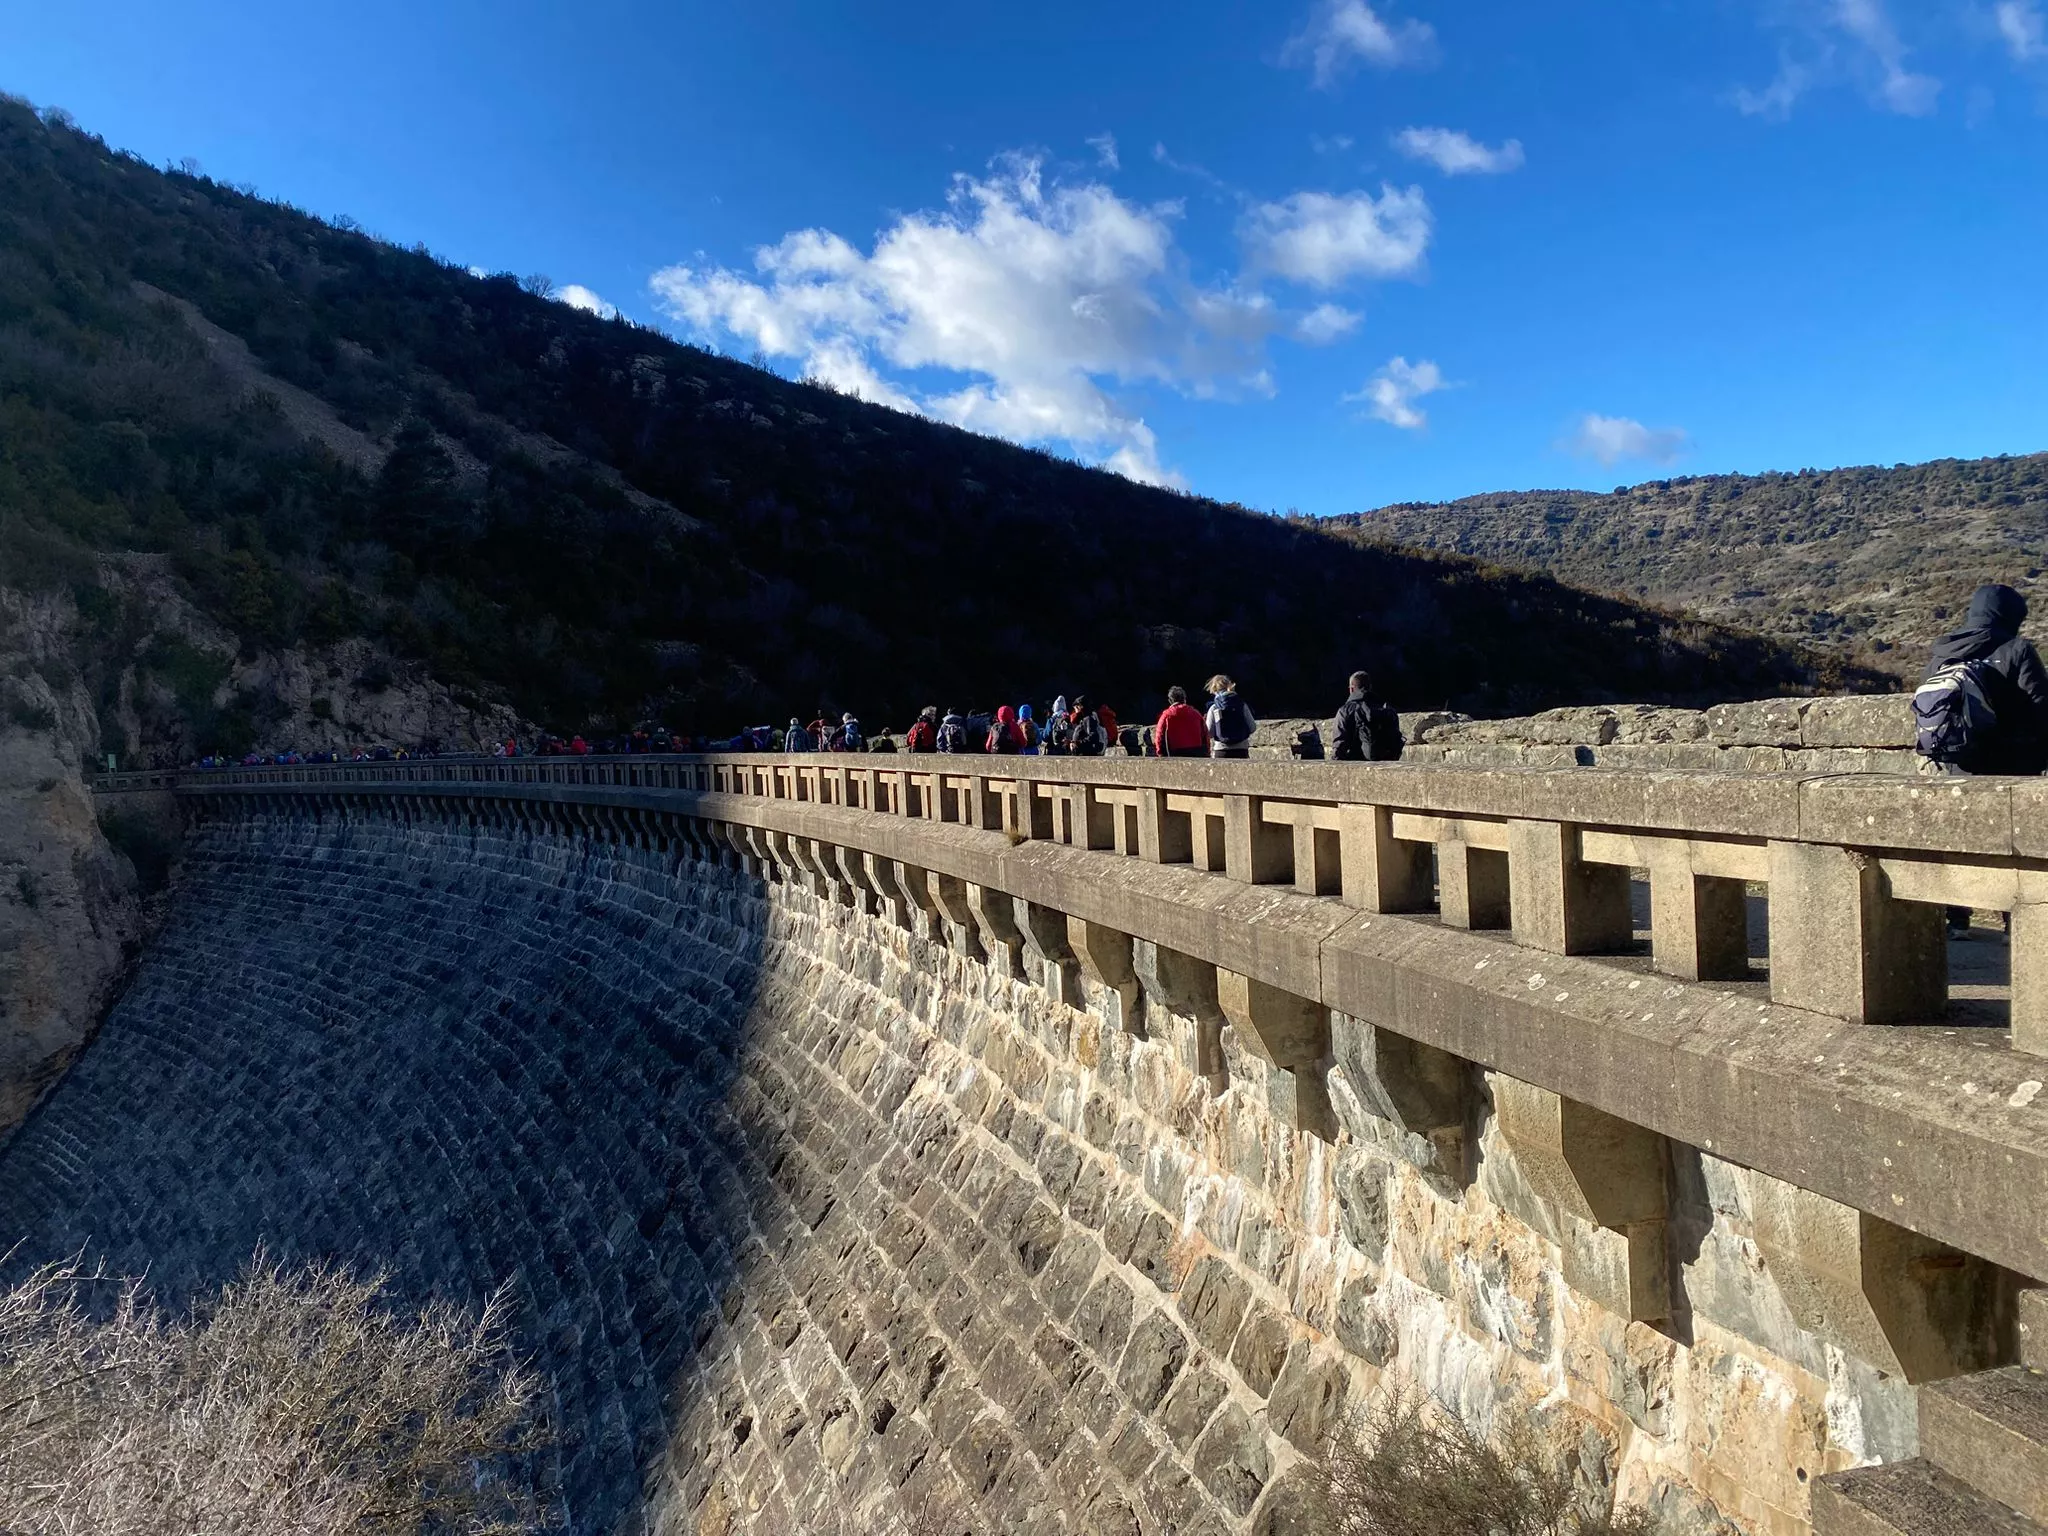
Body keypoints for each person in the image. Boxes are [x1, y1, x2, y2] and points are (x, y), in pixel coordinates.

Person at [1917, 583, 2048, 775]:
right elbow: (2041, 706)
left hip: (1957, 767)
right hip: (2014, 765)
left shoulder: (1943, 653)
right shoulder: (2017, 649)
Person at [1332, 671, 1405, 762]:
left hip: (1356, 766)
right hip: (1384, 764)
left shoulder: (1345, 710)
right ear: (1370, 687)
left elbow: (1339, 743)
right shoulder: (1384, 708)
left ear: (1351, 689)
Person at [1204, 675, 1256, 759]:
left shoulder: (1214, 708)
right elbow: (1252, 727)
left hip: (1221, 750)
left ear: (1214, 690)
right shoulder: (1241, 704)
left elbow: (1209, 733)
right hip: (1241, 749)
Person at [1153, 686, 1209, 758]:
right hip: (1196, 752)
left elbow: (1159, 736)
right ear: (1184, 699)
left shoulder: (1166, 715)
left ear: (1170, 700)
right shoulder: (1196, 714)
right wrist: (1207, 753)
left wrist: (1160, 753)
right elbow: (1205, 734)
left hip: (1174, 753)